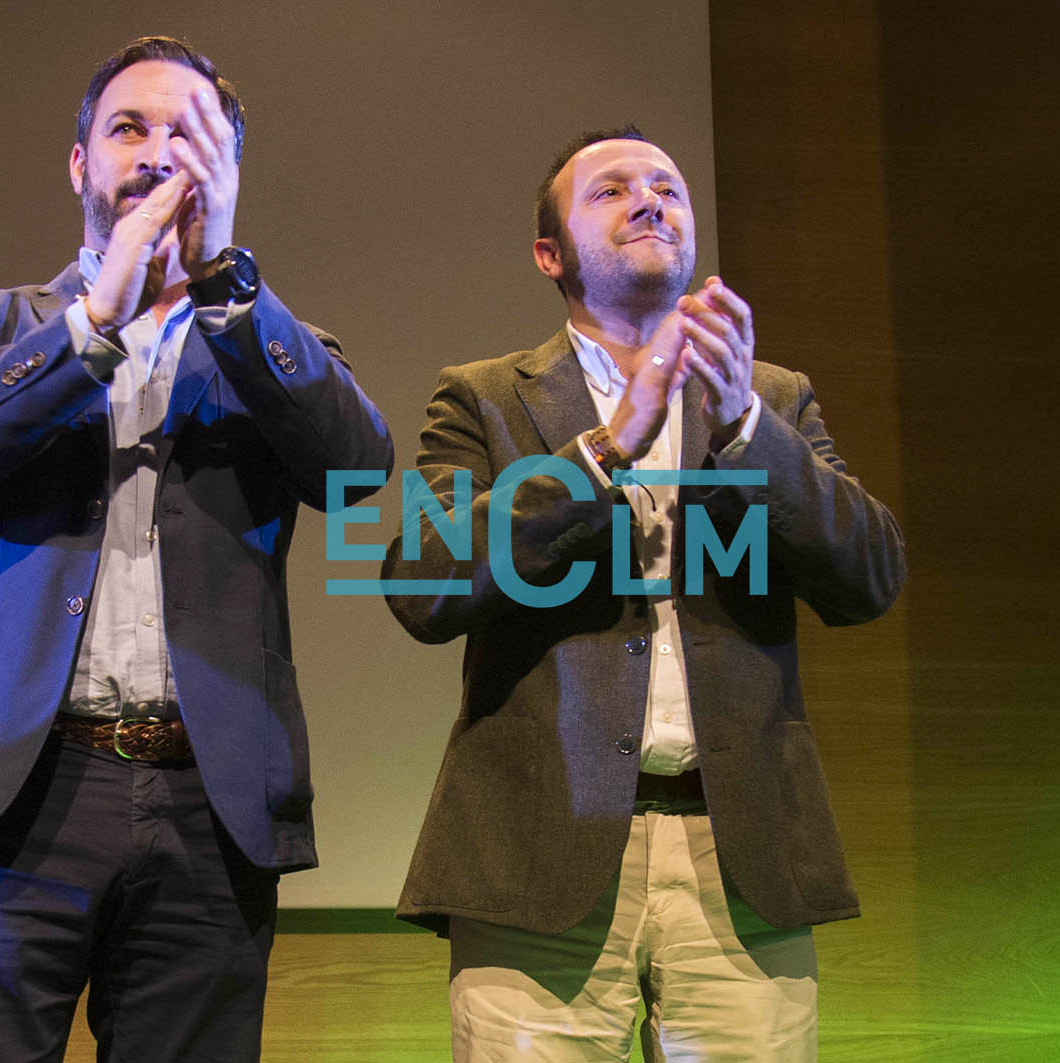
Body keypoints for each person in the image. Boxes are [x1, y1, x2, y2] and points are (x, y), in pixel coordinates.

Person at [0, 36, 393, 1061]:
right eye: (129, 126)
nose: (159, 151)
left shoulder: (271, 340)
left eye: (190, 132)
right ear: (79, 165)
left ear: (227, 172)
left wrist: (225, 287)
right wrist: (92, 321)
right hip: (12, 796)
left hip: (209, 802)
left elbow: (356, 470)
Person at [381, 126, 906, 1060]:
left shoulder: (773, 398)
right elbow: (423, 581)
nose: (650, 199)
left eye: (666, 186)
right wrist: (603, 448)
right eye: (612, 190)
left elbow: (869, 577)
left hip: (738, 858)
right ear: (551, 253)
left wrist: (744, 423)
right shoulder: (484, 396)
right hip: (537, 851)